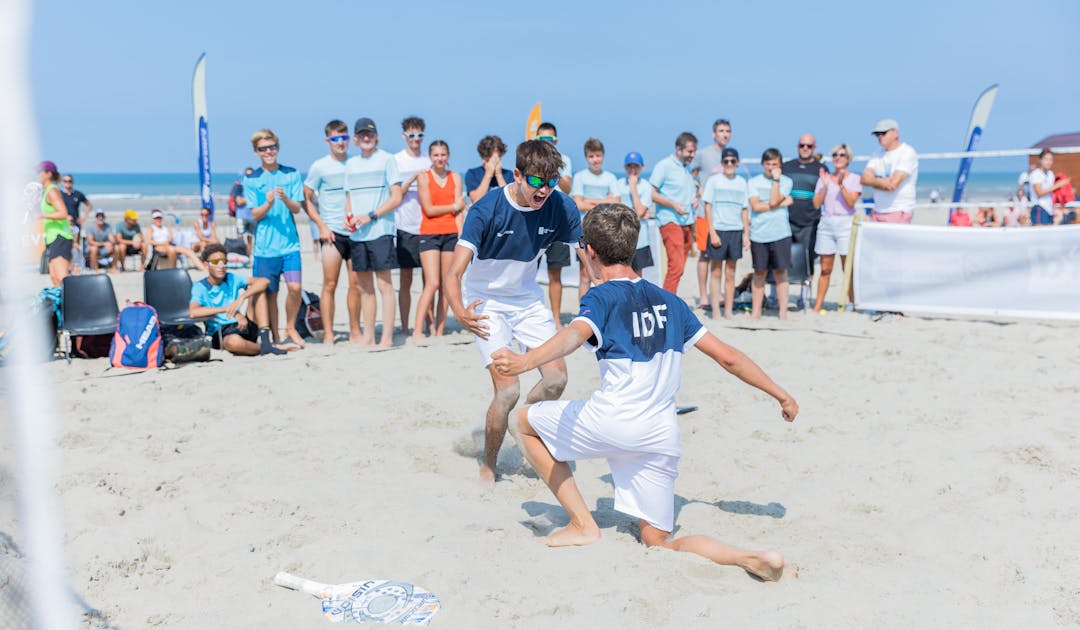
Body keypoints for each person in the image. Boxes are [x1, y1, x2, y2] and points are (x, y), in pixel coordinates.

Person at [489, 203, 798, 581]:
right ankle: (751, 557)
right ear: (634, 248)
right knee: (658, 541)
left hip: (612, 422)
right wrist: (780, 393)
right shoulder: (672, 302)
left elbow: (574, 335)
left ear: (591, 251)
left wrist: (525, 361)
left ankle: (582, 524)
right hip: (659, 436)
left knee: (523, 423)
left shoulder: (600, 299)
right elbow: (729, 358)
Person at [444, 139, 593, 487]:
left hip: (527, 300)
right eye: (536, 182)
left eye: (551, 181)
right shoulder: (486, 210)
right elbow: (453, 274)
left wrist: (605, 285)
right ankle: (489, 463)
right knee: (507, 392)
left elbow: (587, 256)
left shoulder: (561, 206)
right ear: (518, 175)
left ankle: (523, 422)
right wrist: (459, 311)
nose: (544, 190)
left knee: (556, 380)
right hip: (485, 302)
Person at [343, 117, 404, 348]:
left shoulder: (387, 159)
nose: (366, 138)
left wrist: (371, 215)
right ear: (356, 139)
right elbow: (348, 197)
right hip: (358, 234)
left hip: (380, 230)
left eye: (370, 134)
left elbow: (396, 197)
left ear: (376, 136)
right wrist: (348, 218)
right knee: (364, 287)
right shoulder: (351, 164)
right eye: (361, 135)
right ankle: (369, 335)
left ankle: (387, 337)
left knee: (384, 285)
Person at [243, 128, 307, 347]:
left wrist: (286, 199)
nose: (268, 152)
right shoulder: (252, 179)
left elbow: (297, 208)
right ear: (256, 152)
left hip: (290, 245)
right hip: (265, 249)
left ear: (278, 148)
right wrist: (269, 202)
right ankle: (276, 336)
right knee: (270, 294)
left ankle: (290, 326)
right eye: (263, 149)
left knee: (295, 288)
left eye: (272, 147)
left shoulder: (291, 174)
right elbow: (254, 214)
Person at [304, 119, 362, 344]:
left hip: (356, 232)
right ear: (328, 141)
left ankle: (355, 330)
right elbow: (306, 198)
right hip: (332, 233)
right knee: (329, 284)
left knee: (356, 284)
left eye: (344, 138)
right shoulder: (320, 166)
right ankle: (328, 333)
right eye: (336, 139)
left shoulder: (356, 163)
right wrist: (321, 226)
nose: (341, 143)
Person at [189, 243, 289, 356]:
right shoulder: (200, 286)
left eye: (224, 261)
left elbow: (264, 281)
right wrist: (228, 310)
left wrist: (242, 298)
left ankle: (265, 341)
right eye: (216, 262)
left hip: (243, 325)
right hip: (222, 332)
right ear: (206, 265)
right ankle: (263, 348)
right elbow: (193, 312)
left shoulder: (231, 277)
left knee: (258, 291)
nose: (221, 266)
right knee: (233, 342)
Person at [413, 140, 466, 341]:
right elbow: (429, 209)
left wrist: (461, 234)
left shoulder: (455, 177)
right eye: (436, 155)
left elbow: (460, 210)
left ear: (448, 155)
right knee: (432, 283)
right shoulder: (424, 178)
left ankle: (439, 330)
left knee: (446, 284)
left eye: (443, 155)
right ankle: (418, 330)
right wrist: (453, 206)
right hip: (429, 233)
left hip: (451, 233)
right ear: (430, 157)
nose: (440, 159)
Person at [394, 116, 433, 337]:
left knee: (430, 280)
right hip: (404, 227)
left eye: (419, 135)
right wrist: (412, 181)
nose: (415, 139)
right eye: (411, 135)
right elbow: (394, 195)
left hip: (428, 226)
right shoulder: (397, 160)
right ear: (404, 136)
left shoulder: (428, 160)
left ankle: (429, 323)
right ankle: (406, 325)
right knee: (406, 278)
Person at [811, 143, 861, 312]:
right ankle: (818, 305)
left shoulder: (853, 178)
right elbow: (817, 204)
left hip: (845, 224)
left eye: (842, 155)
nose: (838, 158)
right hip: (827, 224)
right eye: (835, 155)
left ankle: (853, 304)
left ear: (848, 159)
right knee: (825, 268)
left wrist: (841, 185)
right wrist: (825, 186)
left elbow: (851, 202)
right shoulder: (824, 178)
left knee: (848, 268)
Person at [701, 148, 750, 319]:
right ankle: (715, 310)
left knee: (730, 273)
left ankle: (728, 310)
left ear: (737, 163)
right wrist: (712, 232)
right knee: (715, 272)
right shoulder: (714, 181)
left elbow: (744, 210)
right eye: (726, 161)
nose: (729, 164)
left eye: (732, 161)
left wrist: (746, 235)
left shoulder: (742, 182)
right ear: (722, 163)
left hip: (735, 231)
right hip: (719, 230)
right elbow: (707, 206)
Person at [690, 119, 733, 309]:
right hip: (703, 213)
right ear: (713, 133)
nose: (724, 134)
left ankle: (720, 295)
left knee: (722, 258)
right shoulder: (703, 154)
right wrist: (695, 190)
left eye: (727, 131)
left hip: (725, 215)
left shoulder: (730, 156)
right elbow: (688, 172)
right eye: (721, 131)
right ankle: (703, 296)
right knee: (705, 255)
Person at [748, 149, 794, 319]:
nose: (771, 167)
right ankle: (756, 312)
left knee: (780, 273)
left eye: (774, 164)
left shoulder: (786, 181)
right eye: (768, 164)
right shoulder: (753, 182)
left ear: (780, 165)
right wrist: (782, 204)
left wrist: (776, 180)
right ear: (762, 164)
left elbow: (773, 200)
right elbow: (756, 206)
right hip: (758, 234)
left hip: (780, 233)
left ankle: (783, 312)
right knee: (759, 273)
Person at [570, 137, 618, 300]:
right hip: (584, 230)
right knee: (585, 273)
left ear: (603, 156)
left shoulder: (610, 177)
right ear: (586, 158)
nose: (595, 160)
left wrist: (590, 200)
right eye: (591, 156)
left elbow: (616, 202)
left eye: (598, 155)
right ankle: (583, 311)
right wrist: (605, 201)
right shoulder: (580, 177)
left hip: (606, 230)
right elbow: (578, 203)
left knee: (604, 271)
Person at [650, 132, 698, 294]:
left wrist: (695, 197)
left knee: (680, 267)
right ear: (678, 149)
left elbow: (684, 191)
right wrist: (672, 204)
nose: (693, 155)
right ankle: (666, 303)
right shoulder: (664, 166)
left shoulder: (687, 168)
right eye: (690, 151)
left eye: (694, 151)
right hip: (670, 220)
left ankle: (667, 299)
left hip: (687, 221)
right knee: (676, 267)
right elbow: (652, 194)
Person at [537, 124, 574, 327]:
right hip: (535, 221)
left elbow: (567, 189)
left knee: (555, 273)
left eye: (549, 140)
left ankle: (556, 319)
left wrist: (555, 169)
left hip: (557, 222)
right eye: (541, 138)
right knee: (526, 271)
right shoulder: (531, 159)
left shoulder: (564, 161)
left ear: (556, 141)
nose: (545, 143)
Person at [782, 134, 825, 280]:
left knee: (808, 260)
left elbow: (826, 195)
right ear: (797, 147)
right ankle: (775, 296)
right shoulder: (787, 167)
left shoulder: (821, 169)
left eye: (809, 146)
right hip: (787, 220)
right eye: (802, 145)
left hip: (810, 222)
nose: (805, 148)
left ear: (814, 148)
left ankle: (804, 296)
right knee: (781, 259)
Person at [860, 119, 918, 223]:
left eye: (883, 133)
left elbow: (892, 185)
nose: (880, 137)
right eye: (877, 134)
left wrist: (873, 181)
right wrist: (882, 182)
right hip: (878, 210)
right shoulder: (877, 153)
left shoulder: (907, 152)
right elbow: (863, 179)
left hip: (899, 211)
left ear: (896, 133)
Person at [614, 151, 655, 276]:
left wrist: (633, 188)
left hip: (640, 238)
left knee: (637, 275)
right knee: (620, 273)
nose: (632, 169)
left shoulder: (646, 186)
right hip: (620, 236)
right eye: (629, 166)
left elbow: (640, 211)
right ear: (625, 167)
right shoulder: (618, 184)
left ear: (642, 167)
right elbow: (614, 207)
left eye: (636, 166)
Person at [38, 161, 73, 286]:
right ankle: (63, 305)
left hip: (61, 237)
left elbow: (63, 213)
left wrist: (42, 215)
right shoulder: (46, 191)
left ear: (48, 174)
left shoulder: (52, 191)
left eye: (39, 172)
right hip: (53, 239)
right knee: (54, 278)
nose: (37, 175)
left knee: (62, 278)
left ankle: (72, 304)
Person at [464, 135, 514, 203]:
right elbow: (476, 200)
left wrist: (499, 175)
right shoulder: (473, 174)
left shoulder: (509, 174)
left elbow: (510, 201)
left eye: (498, 157)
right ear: (483, 158)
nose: (495, 161)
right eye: (492, 158)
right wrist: (488, 174)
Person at [1029, 149, 1068, 226]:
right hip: (1039, 208)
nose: (1049, 162)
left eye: (1050, 159)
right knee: (1040, 235)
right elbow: (1039, 192)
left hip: (1050, 209)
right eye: (1046, 159)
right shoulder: (1036, 174)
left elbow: (1053, 193)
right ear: (1040, 160)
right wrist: (1057, 185)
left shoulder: (1050, 174)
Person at [60, 173, 93, 241]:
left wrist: (83, 218)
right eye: (65, 181)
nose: (68, 183)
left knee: (75, 244)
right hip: (62, 223)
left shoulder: (78, 194)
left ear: (73, 182)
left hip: (75, 224)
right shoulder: (59, 194)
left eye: (70, 181)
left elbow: (89, 205)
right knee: (63, 244)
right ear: (62, 182)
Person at [232, 167, 256, 255]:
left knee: (250, 239)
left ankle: (247, 257)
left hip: (253, 216)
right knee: (240, 238)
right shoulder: (240, 186)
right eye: (247, 175)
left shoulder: (256, 188)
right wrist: (252, 199)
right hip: (241, 216)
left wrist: (245, 200)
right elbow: (239, 201)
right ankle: (240, 256)